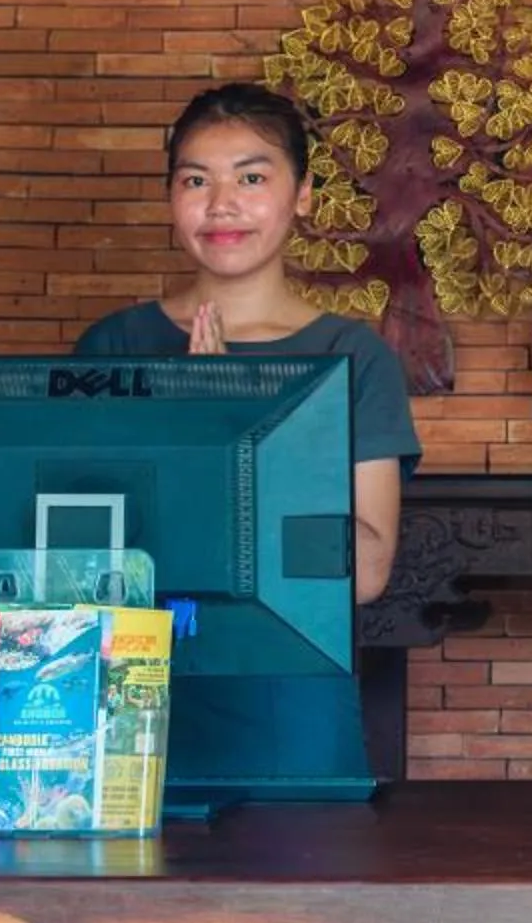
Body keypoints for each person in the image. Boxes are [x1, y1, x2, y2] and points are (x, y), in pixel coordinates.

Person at [75, 83, 414, 601]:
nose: (221, 205)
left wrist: (234, 427)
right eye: (196, 180)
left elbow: (365, 574)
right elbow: (79, 549)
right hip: (139, 648)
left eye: (251, 178)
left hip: (289, 650)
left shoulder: (354, 358)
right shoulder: (113, 346)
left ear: (303, 194)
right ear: (170, 197)